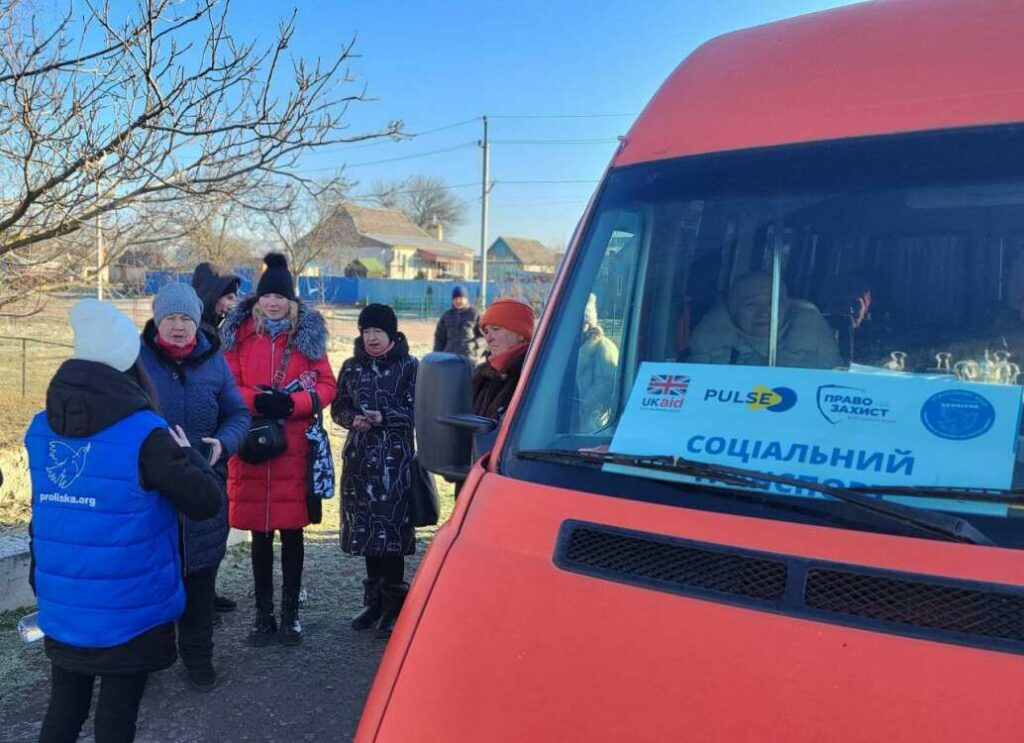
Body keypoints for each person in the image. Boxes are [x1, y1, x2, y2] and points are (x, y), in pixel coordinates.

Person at [27, 299, 222, 742]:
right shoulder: (147, 435)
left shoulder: (39, 429)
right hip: (129, 606)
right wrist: (190, 455)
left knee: (64, 709)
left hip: (65, 600)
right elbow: (206, 501)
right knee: (116, 720)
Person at [221, 252, 336, 647]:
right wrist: (258, 401)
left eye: (280, 297)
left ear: (291, 302)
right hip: (253, 445)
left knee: (292, 534)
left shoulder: (308, 337)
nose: (273, 303)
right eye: (267, 296)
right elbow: (228, 384)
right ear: (257, 299)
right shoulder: (237, 337)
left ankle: (290, 616)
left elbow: (326, 385)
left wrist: (293, 405)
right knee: (259, 536)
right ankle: (262, 616)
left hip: (293, 449)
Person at [139, 283, 250, 691]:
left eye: (186, 317)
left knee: (200, 582)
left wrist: (224, 442)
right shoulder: (135, 363)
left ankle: (199, 658)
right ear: (157, 320)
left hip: (203, 489)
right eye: (171, 318)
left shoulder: (213, 361)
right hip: (153, 493)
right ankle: (151, 658)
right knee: (154, 581)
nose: (179, 326)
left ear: (197, 320)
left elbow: (237, 413)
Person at [331, 304, 418, 639]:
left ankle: (395, 607)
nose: (372, 338)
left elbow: (418, 409)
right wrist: (352, 419)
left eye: (378, 332)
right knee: (367, 533)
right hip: (360, 461)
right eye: (366, 331)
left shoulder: (410, 367)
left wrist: (387, 416)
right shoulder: (352, 367)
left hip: (394, 463)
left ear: (392, 334)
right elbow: (338, 405)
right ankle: (374, 603)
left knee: (392, 533)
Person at [191, 262, 243, 615]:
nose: (233, 302)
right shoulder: (199, 334)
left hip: (216, 440)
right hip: (194, 440)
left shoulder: (217, 330)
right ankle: (195, 600)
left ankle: (206, 592)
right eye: (228, 296)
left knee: (214, 523)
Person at [688, 271, 841, 368]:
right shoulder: (707, 357)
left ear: (785, 309)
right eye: (751, 304)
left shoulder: (821, 359)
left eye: (772, 303)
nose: (764, 312)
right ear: (734, 311)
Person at [472, 297, 536, 420]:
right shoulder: (481, 376)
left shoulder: (536, 376)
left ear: (520, 335)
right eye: (486, 331)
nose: (488, 338)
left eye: (496, 329)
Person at [576, 294, 619, 430]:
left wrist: (584, 404)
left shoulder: (604, 346)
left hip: (593, 426)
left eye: (584, 321)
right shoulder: (568, 349)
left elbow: (609, 383)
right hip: (573, 422)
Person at [433, 285, 483, 361]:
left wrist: (475, 345)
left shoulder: (474, 314)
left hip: (469, 358)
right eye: (455, 299)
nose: (458, 301)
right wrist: (436, 356)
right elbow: (439, 338)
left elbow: (484, 336)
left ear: (466, 299)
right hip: (449, 358)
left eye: (461, 298)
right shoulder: (447, 315)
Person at [192, 261, 241, 331]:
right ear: (214, 297)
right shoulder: (194, 332)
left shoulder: (219, 328)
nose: (234, 303)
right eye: (229, 298)